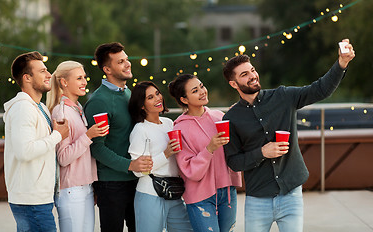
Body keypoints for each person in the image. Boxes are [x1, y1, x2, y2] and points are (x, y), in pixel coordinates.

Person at [222, 39, 355, 232]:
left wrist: (342, 63)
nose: (252, 76)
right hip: (257, 199)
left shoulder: (283, 96)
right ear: (234, 83)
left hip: (291, 194)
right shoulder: (231, 118)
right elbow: (234, 162)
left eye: (252, 70)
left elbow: (320, 89)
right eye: (245, 74)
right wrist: (262, 152)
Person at [84, 42, 152, 232]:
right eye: (120, 61)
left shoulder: (129, 93)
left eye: (127, 59)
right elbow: (96, 147)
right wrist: (129, 165)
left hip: (136, 178)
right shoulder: (99, 101)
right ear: (107, 69)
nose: (127, 64)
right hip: (111, 184)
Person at [3, 51, 69, 232]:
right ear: (27, 78)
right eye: (42, 71)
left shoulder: (39, 107)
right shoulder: (23, 108)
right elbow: (24, 152)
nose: (49, 75)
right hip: (31, 199)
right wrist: (57, 135)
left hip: (39, 197)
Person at [168, 74, 242, 232]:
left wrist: (238, 117)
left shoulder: (219, 117)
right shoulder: (179, 129)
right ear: (184, 100)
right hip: (200, 198)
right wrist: (209, 149)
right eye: (195, 90)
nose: (202, 91)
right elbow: (189, 170)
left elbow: (236, 147)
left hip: (227, 191)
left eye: (201, 86)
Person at [46, 61, 109, 232]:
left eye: (85, 77)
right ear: (64, 82)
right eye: (79, 78)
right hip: (71, 191)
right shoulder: (61, 113)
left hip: (85, 188)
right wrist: (89, 135)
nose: (84, 82)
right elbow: (63, 157)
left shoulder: (78, 109)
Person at [128, 81, 193, 232]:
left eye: (157, 93)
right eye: (150, 97)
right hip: (150, 194)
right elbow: (138, 171)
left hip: (174, 191)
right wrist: (166, 153)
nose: (158, 99)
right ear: (142, 105)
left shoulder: (169, 123)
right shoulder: (140, 130)